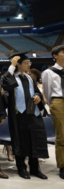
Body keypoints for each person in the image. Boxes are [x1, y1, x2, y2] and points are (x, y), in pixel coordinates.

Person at [0, 52, 48, 179]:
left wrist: (38, 96)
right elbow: (5, 83)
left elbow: (37, 91)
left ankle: (34, 169)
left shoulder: (30, 78)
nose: (29, 65)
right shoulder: (11, 77)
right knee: (21, 141)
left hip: (33, 114)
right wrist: (11, 65)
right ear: (18, 65)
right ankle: (21, 168)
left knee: (35, 140)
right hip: (18, 115)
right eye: (26, 63)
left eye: (29, 63)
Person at [42, 45, 64, 180]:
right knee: (61, 135)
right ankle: (62, 165)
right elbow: (47, 91)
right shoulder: (49, 72)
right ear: (55, 55)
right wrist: (54, 105)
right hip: (58, 101)